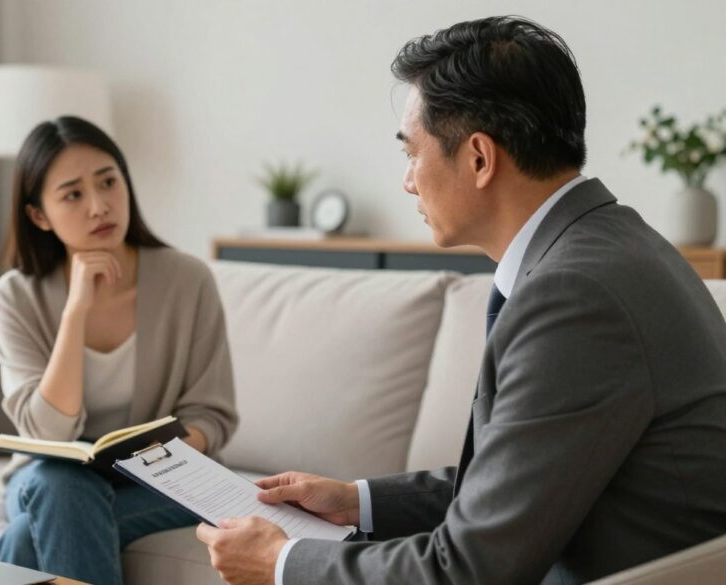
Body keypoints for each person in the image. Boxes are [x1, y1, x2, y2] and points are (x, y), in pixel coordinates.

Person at [196, 16, 726, 585]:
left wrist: (280, 564)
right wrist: (358, 501)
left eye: (411, 153)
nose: (406, 181)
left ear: (478, 157)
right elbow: (528, 478)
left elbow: (469, 571)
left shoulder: (574, 297)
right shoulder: (614, 245)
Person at [0, 115, 238, 585]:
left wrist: (152, 462)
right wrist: (75, 312)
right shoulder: (15, 296)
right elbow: (46, 432)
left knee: (25, 538)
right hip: (47, 479)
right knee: (59, 481)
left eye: (108, 183)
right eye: (73, 194)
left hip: (167, 479)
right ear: (38, 215)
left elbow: (212, 415)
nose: (99, 206)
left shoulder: (188, 280)